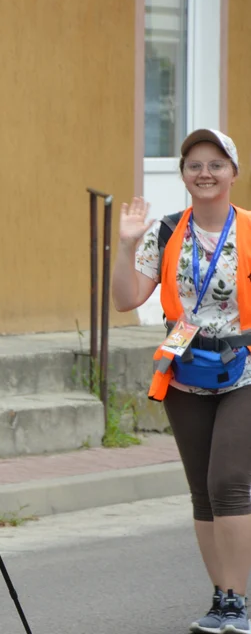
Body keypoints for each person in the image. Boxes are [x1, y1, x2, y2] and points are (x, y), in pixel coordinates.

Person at [113, 129, 251, 634]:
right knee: (202, 491)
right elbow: (126, 299)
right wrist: (126, 247)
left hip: (246, 367)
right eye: (195, 164)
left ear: (233, 172)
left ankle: (237, 599)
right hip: (185, 369)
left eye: (217, 164)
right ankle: (220, 598)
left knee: (229, 481)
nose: (205, 173)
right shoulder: (168, 231)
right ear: (184, 175)